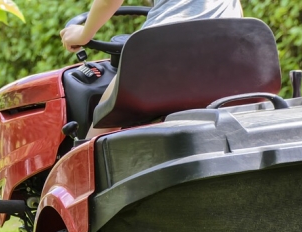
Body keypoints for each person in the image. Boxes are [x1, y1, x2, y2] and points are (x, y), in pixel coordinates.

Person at [60, 0, 244, 138]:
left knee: (103, 119)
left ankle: (83, 179)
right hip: (233, 52)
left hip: (164, 51)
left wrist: (84, 34)